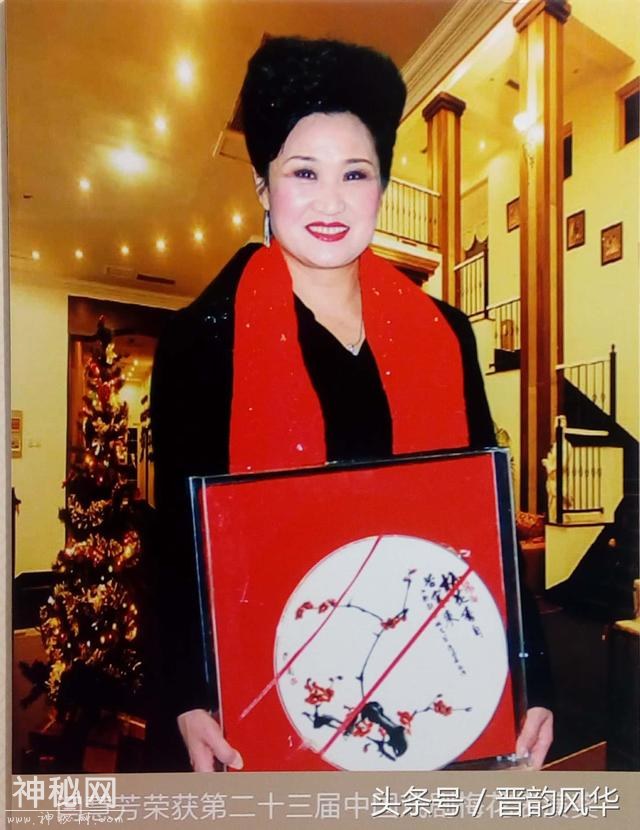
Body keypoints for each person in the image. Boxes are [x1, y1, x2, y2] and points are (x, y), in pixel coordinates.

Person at [148, 36, 553, 773]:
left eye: (355, 173)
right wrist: (184, 696)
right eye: (303, 171)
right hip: (271, 700)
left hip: (425, 685)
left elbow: (483, 523)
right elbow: (177, 543)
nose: (331, 200)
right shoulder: (202, 341)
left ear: (381, 187)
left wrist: (531, 683)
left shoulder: (445, 334)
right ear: (264, 187)